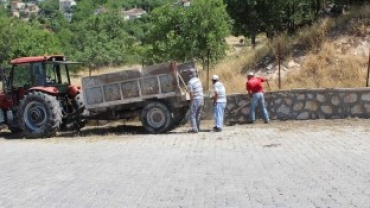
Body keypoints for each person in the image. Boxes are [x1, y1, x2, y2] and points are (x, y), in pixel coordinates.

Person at [187, 68, 204, 133]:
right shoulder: (198, 80)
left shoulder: (190, 82)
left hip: (196, 99)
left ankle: (194, 129)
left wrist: (191, 101)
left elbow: (191, 93)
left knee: (192, 114)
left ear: (190, 75)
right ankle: (198, 128)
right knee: (198, 114)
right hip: (201, 99)